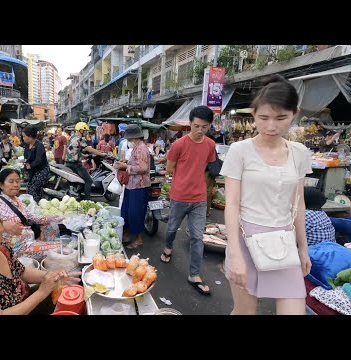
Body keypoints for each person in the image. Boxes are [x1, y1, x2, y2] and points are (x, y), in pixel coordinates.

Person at [220, 74, 312, 315]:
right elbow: (231, 203)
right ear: (254, 115)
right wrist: (234, 253)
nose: (272, 126)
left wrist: (303, 248)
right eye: (264, 118)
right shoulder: (240, 151)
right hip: (245, 240)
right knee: (244, 312)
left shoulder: (300, 153)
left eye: (281, 118)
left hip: (284, 243)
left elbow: (298, 203)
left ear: (295, 113)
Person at [0, 202, 80, 315]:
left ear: (2, 225)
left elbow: (22, 271)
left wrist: (51, 276)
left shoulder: (2, 247)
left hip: (18, 301)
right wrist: (41, 292)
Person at [159, 106, 216, 295]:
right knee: (172, 228)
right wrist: (183, 181)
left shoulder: (210, 145)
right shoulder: (178, 145)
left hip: (199, 198)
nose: (200, 130)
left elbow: (206, 165)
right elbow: (169, 168)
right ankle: (168, 248)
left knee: (197, 237)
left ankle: (194, 275)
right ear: (190, 123)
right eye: (196, 126)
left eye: (204, 127)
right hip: (179, 196)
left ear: (209, 126)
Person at [0, 169, 62, 245]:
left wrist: (49, 218)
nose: (15, 185)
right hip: (14, 245)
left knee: (53, 232)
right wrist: (2, 223)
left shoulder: (18, 200)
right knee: (54, 249)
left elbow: (32, 217)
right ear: (1, 185)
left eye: (17, 181)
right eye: (11, 182)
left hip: (28, 240)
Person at [114, 125, 151, 249]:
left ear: (133, 137)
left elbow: (143, 168)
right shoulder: (136, 147)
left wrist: (125, 167)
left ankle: (138, 239)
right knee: (127, 211)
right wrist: (125, 163)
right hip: (131, 185)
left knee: (136, 213)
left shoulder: (141, 148)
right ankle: (129, 234)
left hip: (139, 186)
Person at [64, 122, 106, 200]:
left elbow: (74, 149)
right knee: (89, 180)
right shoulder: (79, 139)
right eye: (85, 131)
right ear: (81, 130)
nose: (86, 133)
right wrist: (101, 154)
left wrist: (84, 155)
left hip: (68, 163)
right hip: (75, 164)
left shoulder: (71, 137)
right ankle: (87, 199)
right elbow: (89, 149)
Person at [21, 126, 49, 203]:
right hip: (32, 170)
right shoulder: (27, 145)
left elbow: (38, 160)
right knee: (32, 188)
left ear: (30, 136)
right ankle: (39, 203)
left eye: (24, 136)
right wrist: (25, 163)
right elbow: (26, 156)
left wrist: (30, 165)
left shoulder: (39, 145)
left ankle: (35, 204)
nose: (23, 138)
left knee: (33, 188)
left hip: (42, 170)